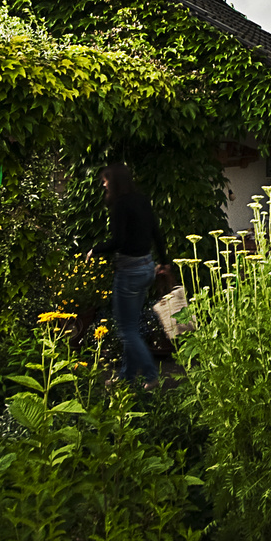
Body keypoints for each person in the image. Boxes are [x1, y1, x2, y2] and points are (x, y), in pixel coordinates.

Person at [85, 163, 170, 390]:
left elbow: (118, 241)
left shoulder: (120, 205)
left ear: (114, 181)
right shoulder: (141, 200)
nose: (103, 184)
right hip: (146, 268)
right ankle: (126, 377)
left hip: (129, 272)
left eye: (105, 180)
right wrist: (164, 261)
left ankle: (152, 375)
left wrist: (96, 250)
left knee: (126, 330)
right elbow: (156, 232)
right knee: (131, 326)